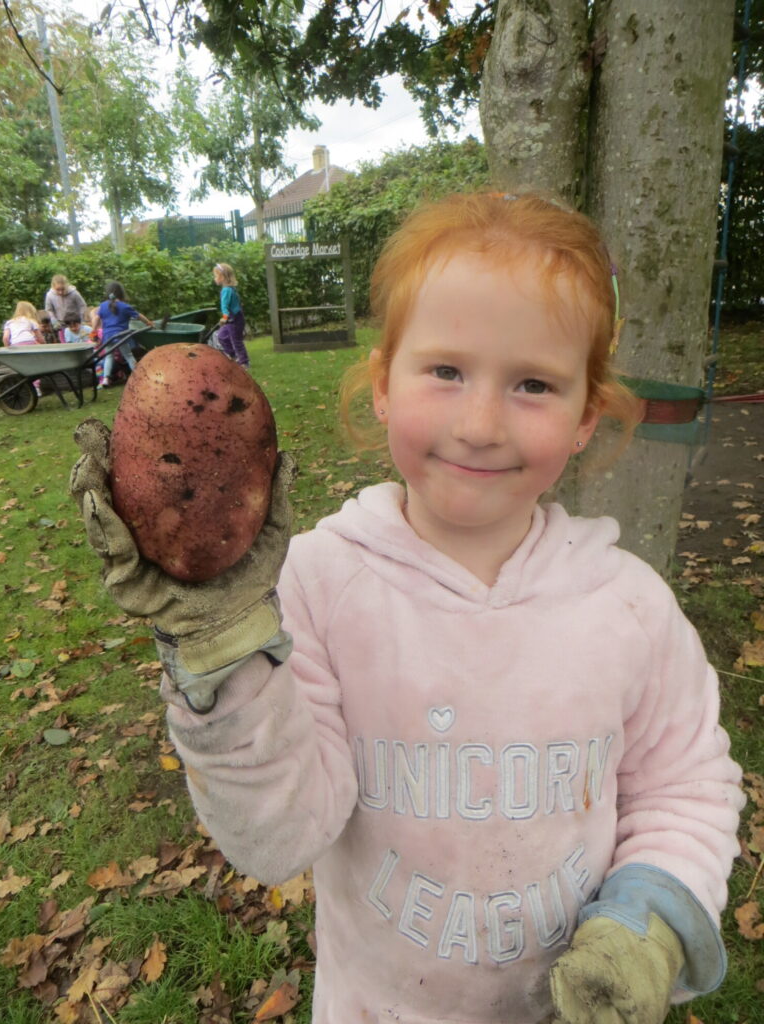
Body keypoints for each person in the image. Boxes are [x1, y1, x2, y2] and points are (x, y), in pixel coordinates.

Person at [71, 190, 744, 1024]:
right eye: (447, 371)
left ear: (584, 419)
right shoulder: (317, 586)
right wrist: (221, 647)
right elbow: (275, 841)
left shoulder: (630, 607)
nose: (482, 423)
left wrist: (647, 920)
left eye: (534, 383)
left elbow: (685, 787)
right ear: (383, 385)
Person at [91, 281, 153, 387]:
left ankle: (106, 379)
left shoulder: (103, 306)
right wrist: (148, 323)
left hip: (107, 337)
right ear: (121, 293)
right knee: (128, 355)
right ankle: (138, 375)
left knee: (109, 356)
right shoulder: (125, 306)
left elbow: (96, 318)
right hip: (121, 336)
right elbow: (138, 315)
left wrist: (94, 331)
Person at [213, 262, 249, 367]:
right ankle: (234, 356)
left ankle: (244, 362)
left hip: (234, 320)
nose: (215, 278)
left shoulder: (227, 290)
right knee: (222, 336)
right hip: (231, 319)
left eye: (216, 276)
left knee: (236, 340)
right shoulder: (228, 289)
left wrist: (224, 318)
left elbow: (225, 306)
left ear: (222, 277)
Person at [44, 274, 87, 339]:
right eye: (58, 290)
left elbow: (82, 305)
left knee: (77, 339)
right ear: (53, 287)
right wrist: (53, 320)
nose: (60, 292)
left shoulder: (74, 293)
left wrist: (81, 318)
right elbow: (49, 309)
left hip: (74, 322)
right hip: (60, 323)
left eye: (63, 289)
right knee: (64, 339)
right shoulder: (50, 295)